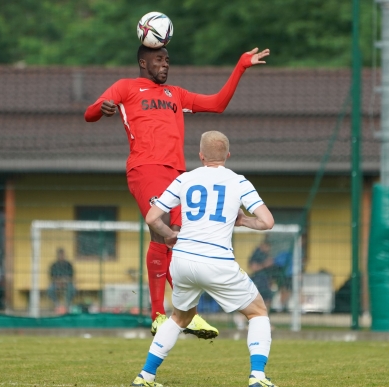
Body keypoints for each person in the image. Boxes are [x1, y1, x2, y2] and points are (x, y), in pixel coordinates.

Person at [84, 43, 270, 339]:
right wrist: (101, 107)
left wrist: (241, 66)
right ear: (144, 64)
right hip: (145, 168)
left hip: (177, 174)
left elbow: (217, 104)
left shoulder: (176, 94)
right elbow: (89, 114)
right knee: (161, 232)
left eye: (168, 60)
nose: (165, 64)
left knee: (180, 239)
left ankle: (184, 314)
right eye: (159, 59)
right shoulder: (125, 87)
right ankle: (158, 314)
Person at [132, 131, 278, 387]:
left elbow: (152, 217)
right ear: (228, 156)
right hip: (216, 260)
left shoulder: (185, 178)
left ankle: (145, 376)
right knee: (257, 312)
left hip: (183, 260)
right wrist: (243, 221)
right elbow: (267, 222)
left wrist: (169, 236)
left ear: (200, 156)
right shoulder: (239, 182)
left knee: (179, 317)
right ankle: (257, 377)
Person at [47, 248, 76, 314]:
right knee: (50, 289)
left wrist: (65, 281)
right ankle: (57, 304)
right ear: (58, 256)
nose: (61, 256)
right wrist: (58, 282)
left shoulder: (68, 265)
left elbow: (71, 276)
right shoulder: (54, 265)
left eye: (63, 255)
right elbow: (52, 276)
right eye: (60, 255)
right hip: (56, 283)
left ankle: (67, 305)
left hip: (67, 282)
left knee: (72, 289)